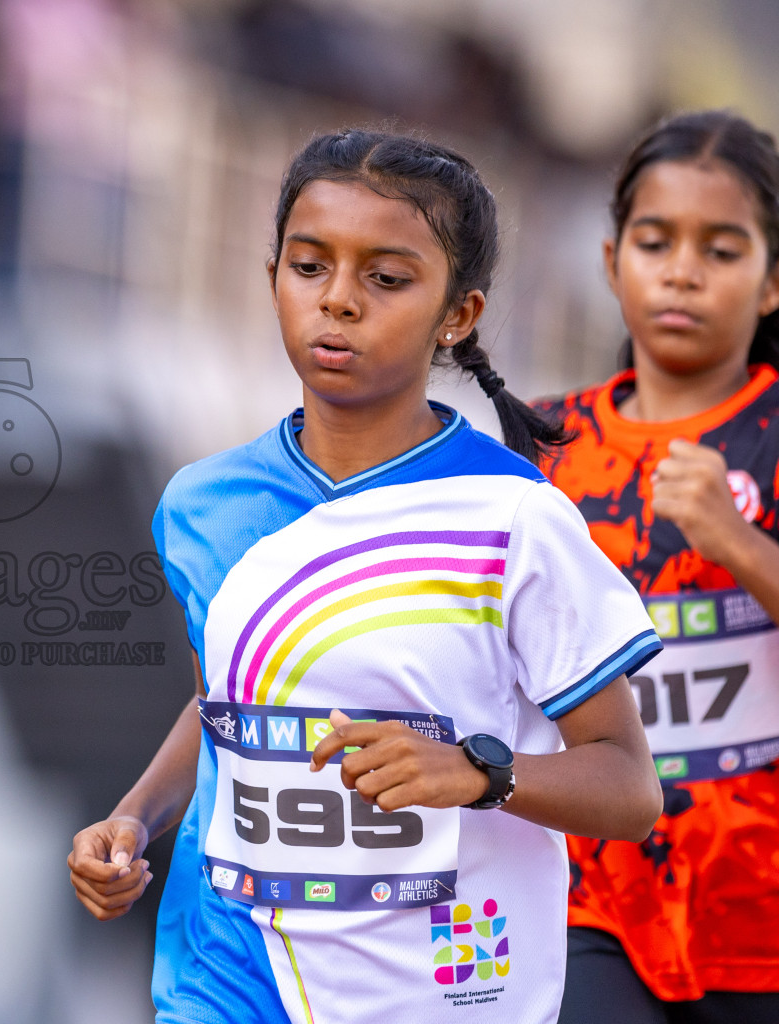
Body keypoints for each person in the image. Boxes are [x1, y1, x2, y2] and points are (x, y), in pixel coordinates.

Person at [67, 129, 666, 1024]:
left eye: (386, 279)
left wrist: (477, 773)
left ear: (458, 315)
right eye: (309, 267)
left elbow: (628, 788)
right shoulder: (202, 500)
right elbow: (224, 707)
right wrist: (133, 819)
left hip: (440, 989)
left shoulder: (514, 517)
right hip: (223, 975)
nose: (338, 301)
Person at [537, 111, 779, 1024]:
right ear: (612, 264)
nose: (681, 270)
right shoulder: (543, 442)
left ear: (770, 284)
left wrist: (738, 543)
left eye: (722, 250)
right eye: (654, 241)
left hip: (759, 917)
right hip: (589, 900)